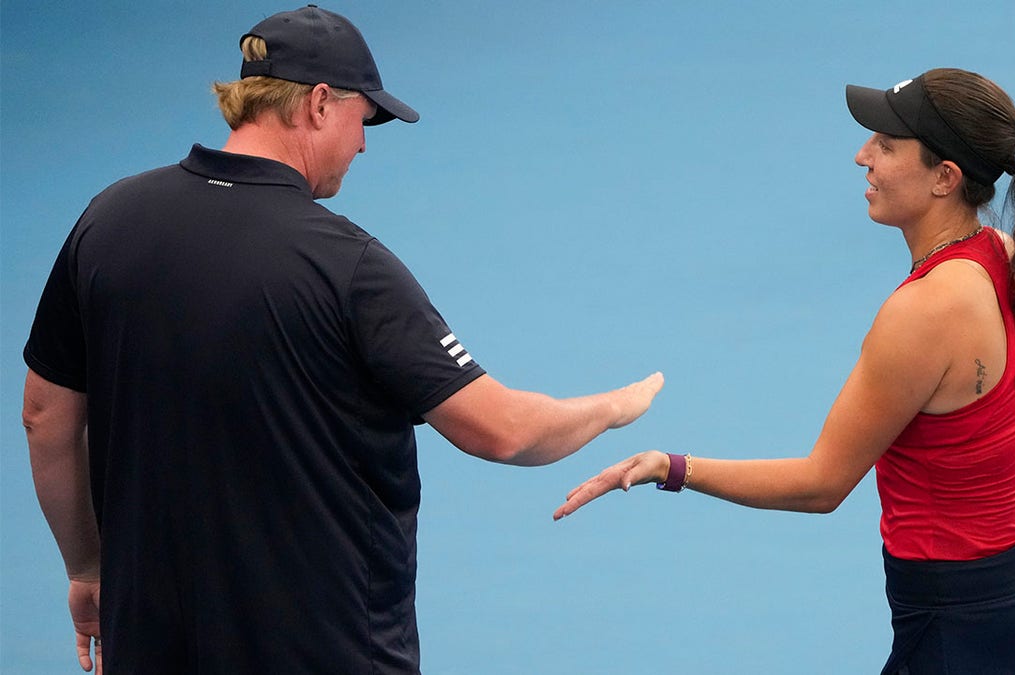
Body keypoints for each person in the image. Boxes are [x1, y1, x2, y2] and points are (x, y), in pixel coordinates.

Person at [22, 6, 663, 674]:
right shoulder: (349, 266)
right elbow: (502, 430)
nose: (364, 144)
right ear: (320, 104)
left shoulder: (106, 221)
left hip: (150, 646)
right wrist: (616, 407)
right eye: (366, 119)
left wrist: (87, 567)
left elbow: (44, 416)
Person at [554, 67, 1015, 673]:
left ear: (945, 178)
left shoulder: (922, 310)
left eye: (886, 146)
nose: (862, 156)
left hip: (954, 630)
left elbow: (821, 485)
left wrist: (672, 467)